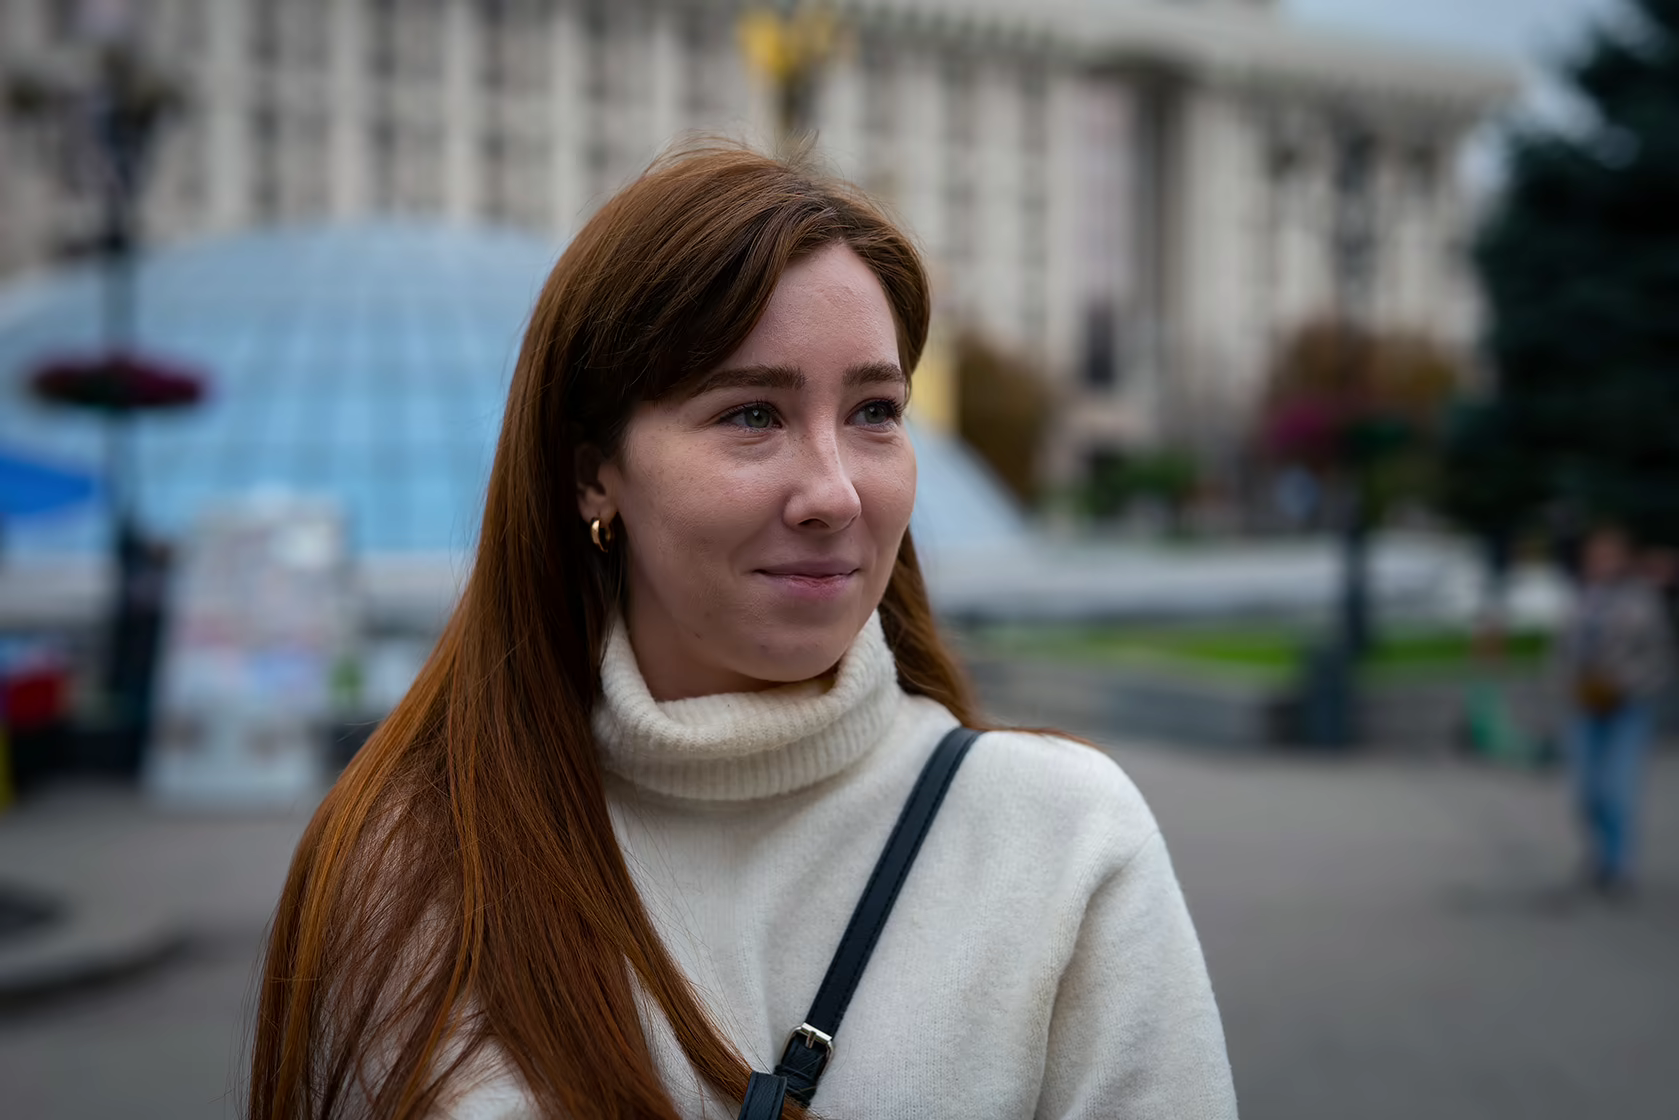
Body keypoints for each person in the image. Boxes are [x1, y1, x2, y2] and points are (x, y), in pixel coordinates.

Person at [249, 148, 1237, 1120]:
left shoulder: (1065, 842)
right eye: (753, 413)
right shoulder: (411, 863)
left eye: (875, 411)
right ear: (593, 474)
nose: (834, 493)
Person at [1551, 526, 1676, 895]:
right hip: (1585, 705)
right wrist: (1567, 686)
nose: (1601, 564)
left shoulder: (1642, 601)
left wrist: (1623, 683)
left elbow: (1659, 658)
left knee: (1617, 789)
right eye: (1596, 557)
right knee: (1587, 791)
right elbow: (1560, 654)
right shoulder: (1579, 600)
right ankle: (1599, 855)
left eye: (1609, 557)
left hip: (1626, 706)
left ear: (1623, 560)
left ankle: (1619, 866)